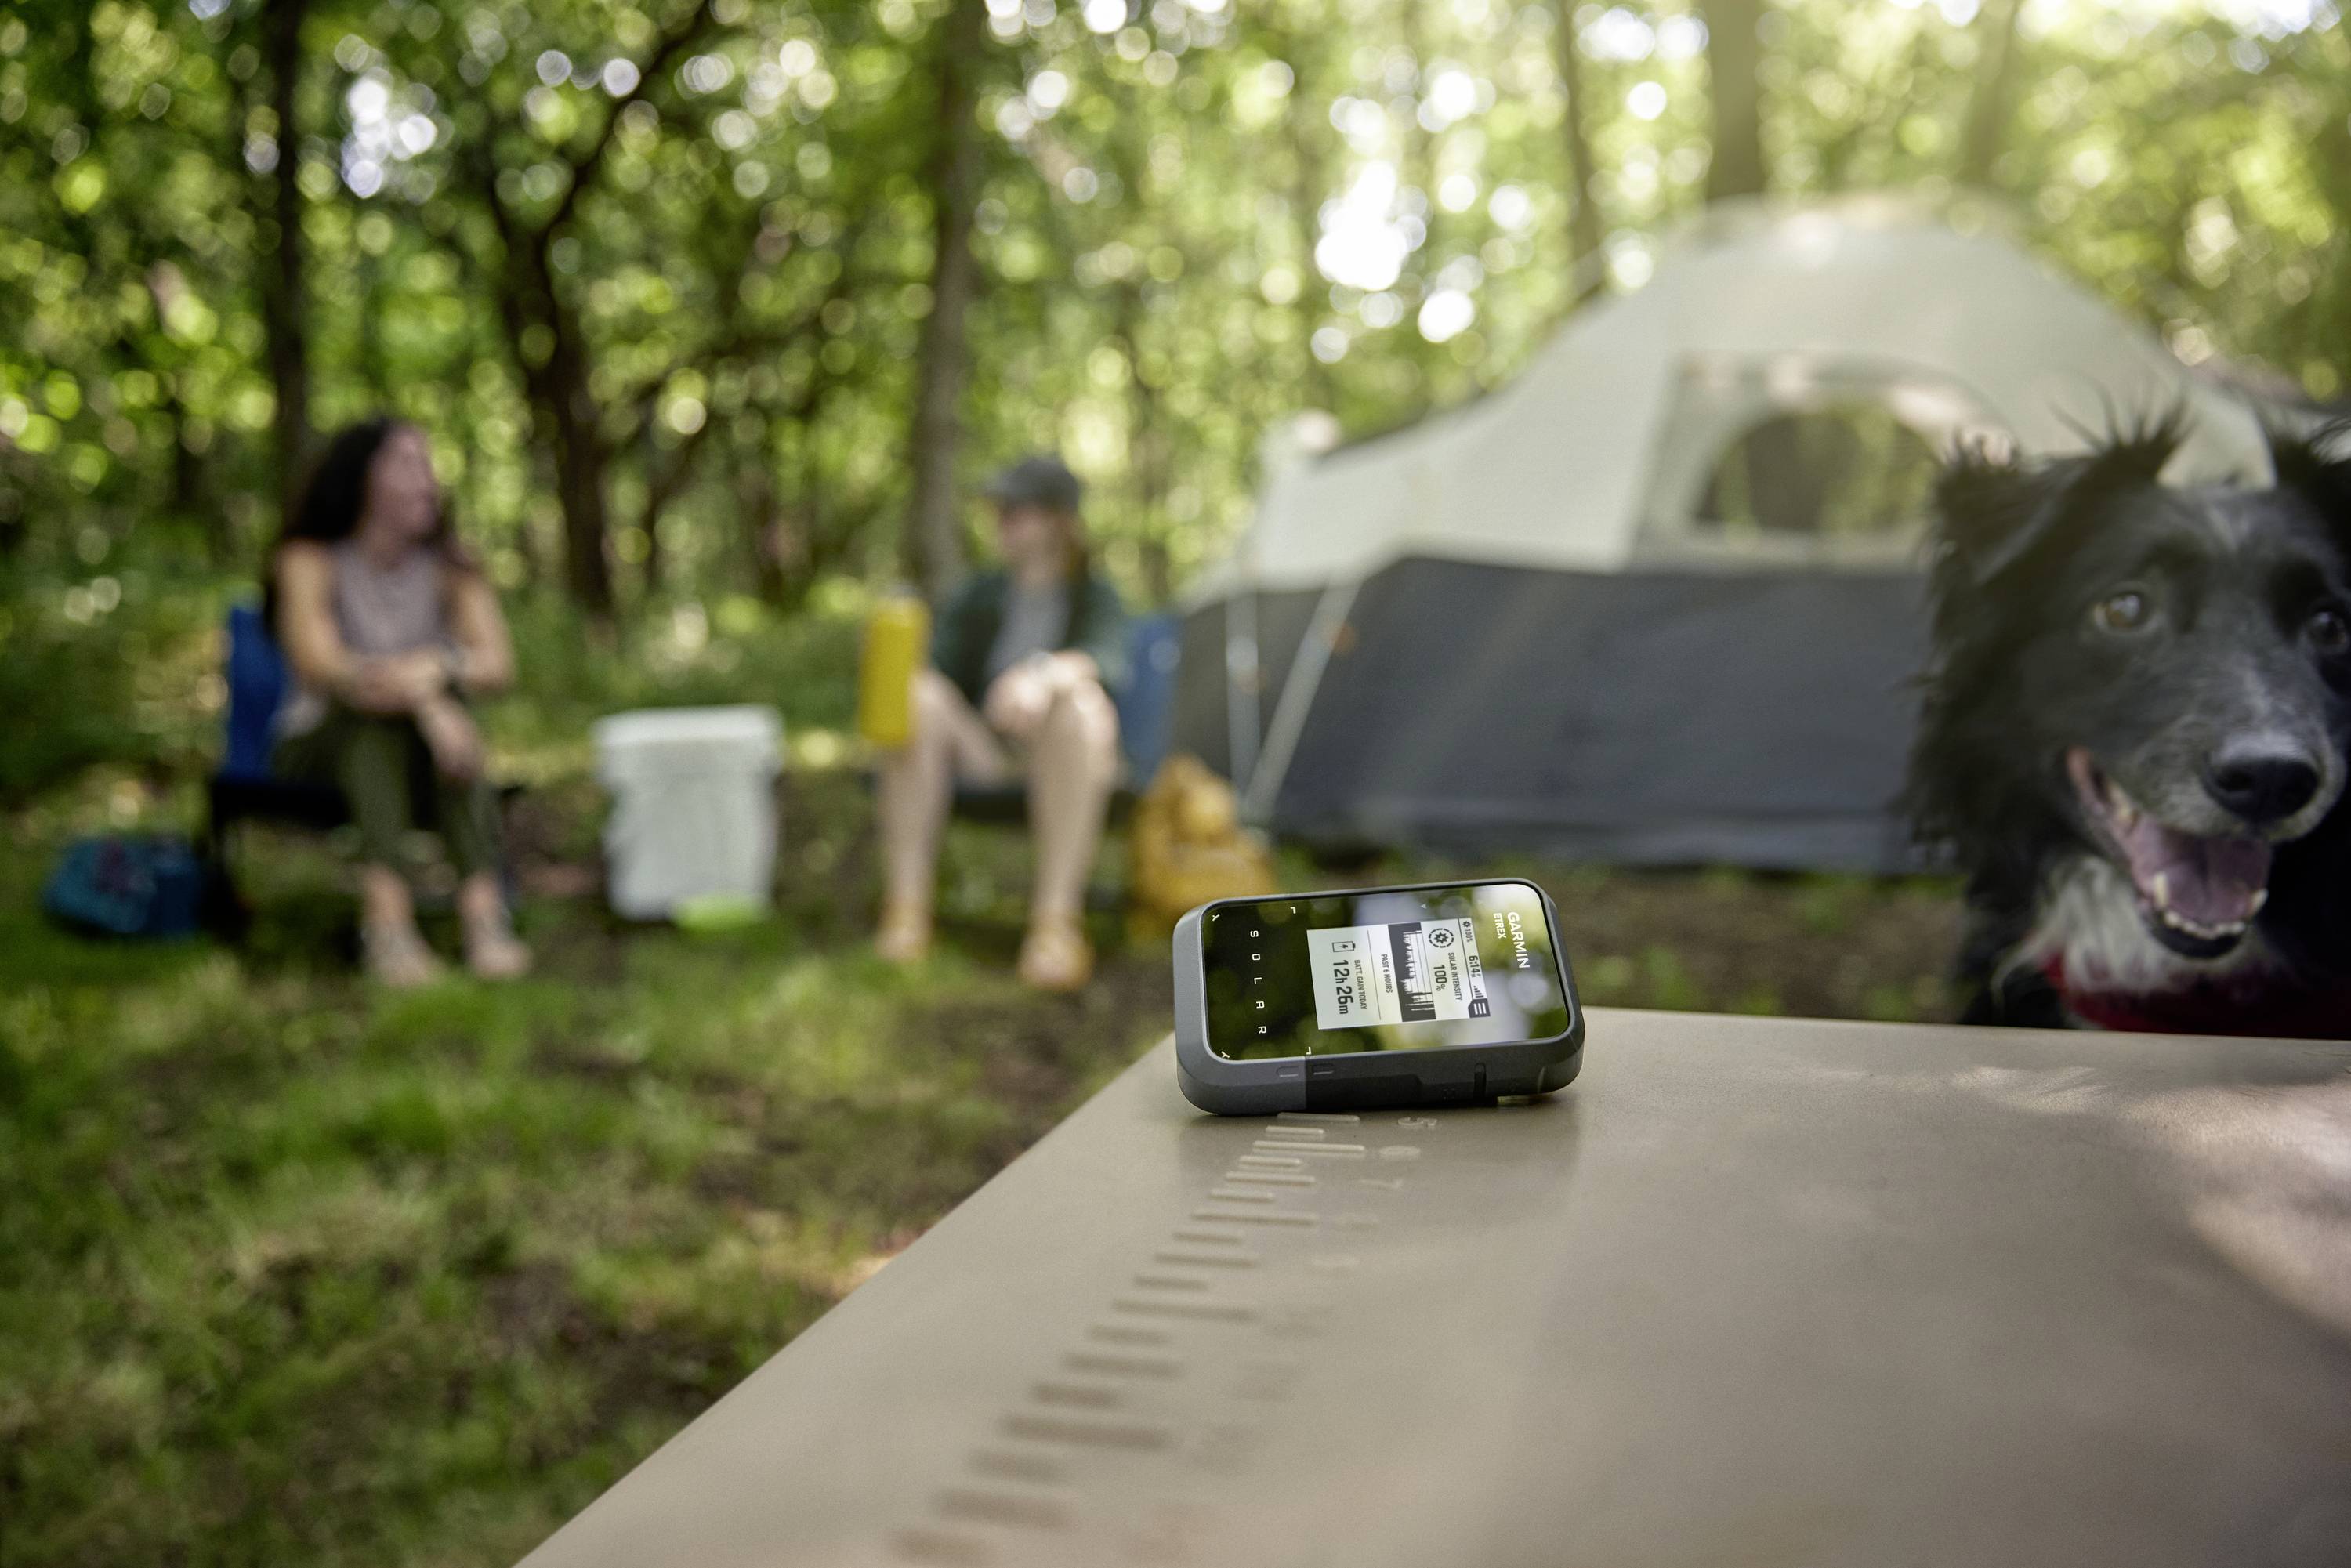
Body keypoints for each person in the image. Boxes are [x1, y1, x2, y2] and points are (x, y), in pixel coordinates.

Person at [266, 418, 531, 987]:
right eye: (407, 463)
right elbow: (322, 663)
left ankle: (449, 921)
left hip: (424, 753)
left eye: (428, 464)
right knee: (372, 718)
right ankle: (411, 924)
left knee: (429, 711)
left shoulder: (452, 565)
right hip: (317, 747)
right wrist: (428, 699)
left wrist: (438, 672)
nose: (427, 480)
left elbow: (497, 664)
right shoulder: (309, 557)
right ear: (362, 478)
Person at [876, 455, 1127, 990]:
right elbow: (936, 675)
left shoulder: (1096, 595)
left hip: (1063, 756)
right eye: (1000, 510)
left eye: (1017, 510)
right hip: (984, 752)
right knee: (917, 697)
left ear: (1059, 520)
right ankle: (906, 909)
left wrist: (1044, 675)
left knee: (1081, 703)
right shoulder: (980, 594)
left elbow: (1105, 659)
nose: (1002, 521)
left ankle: (1056, 925)